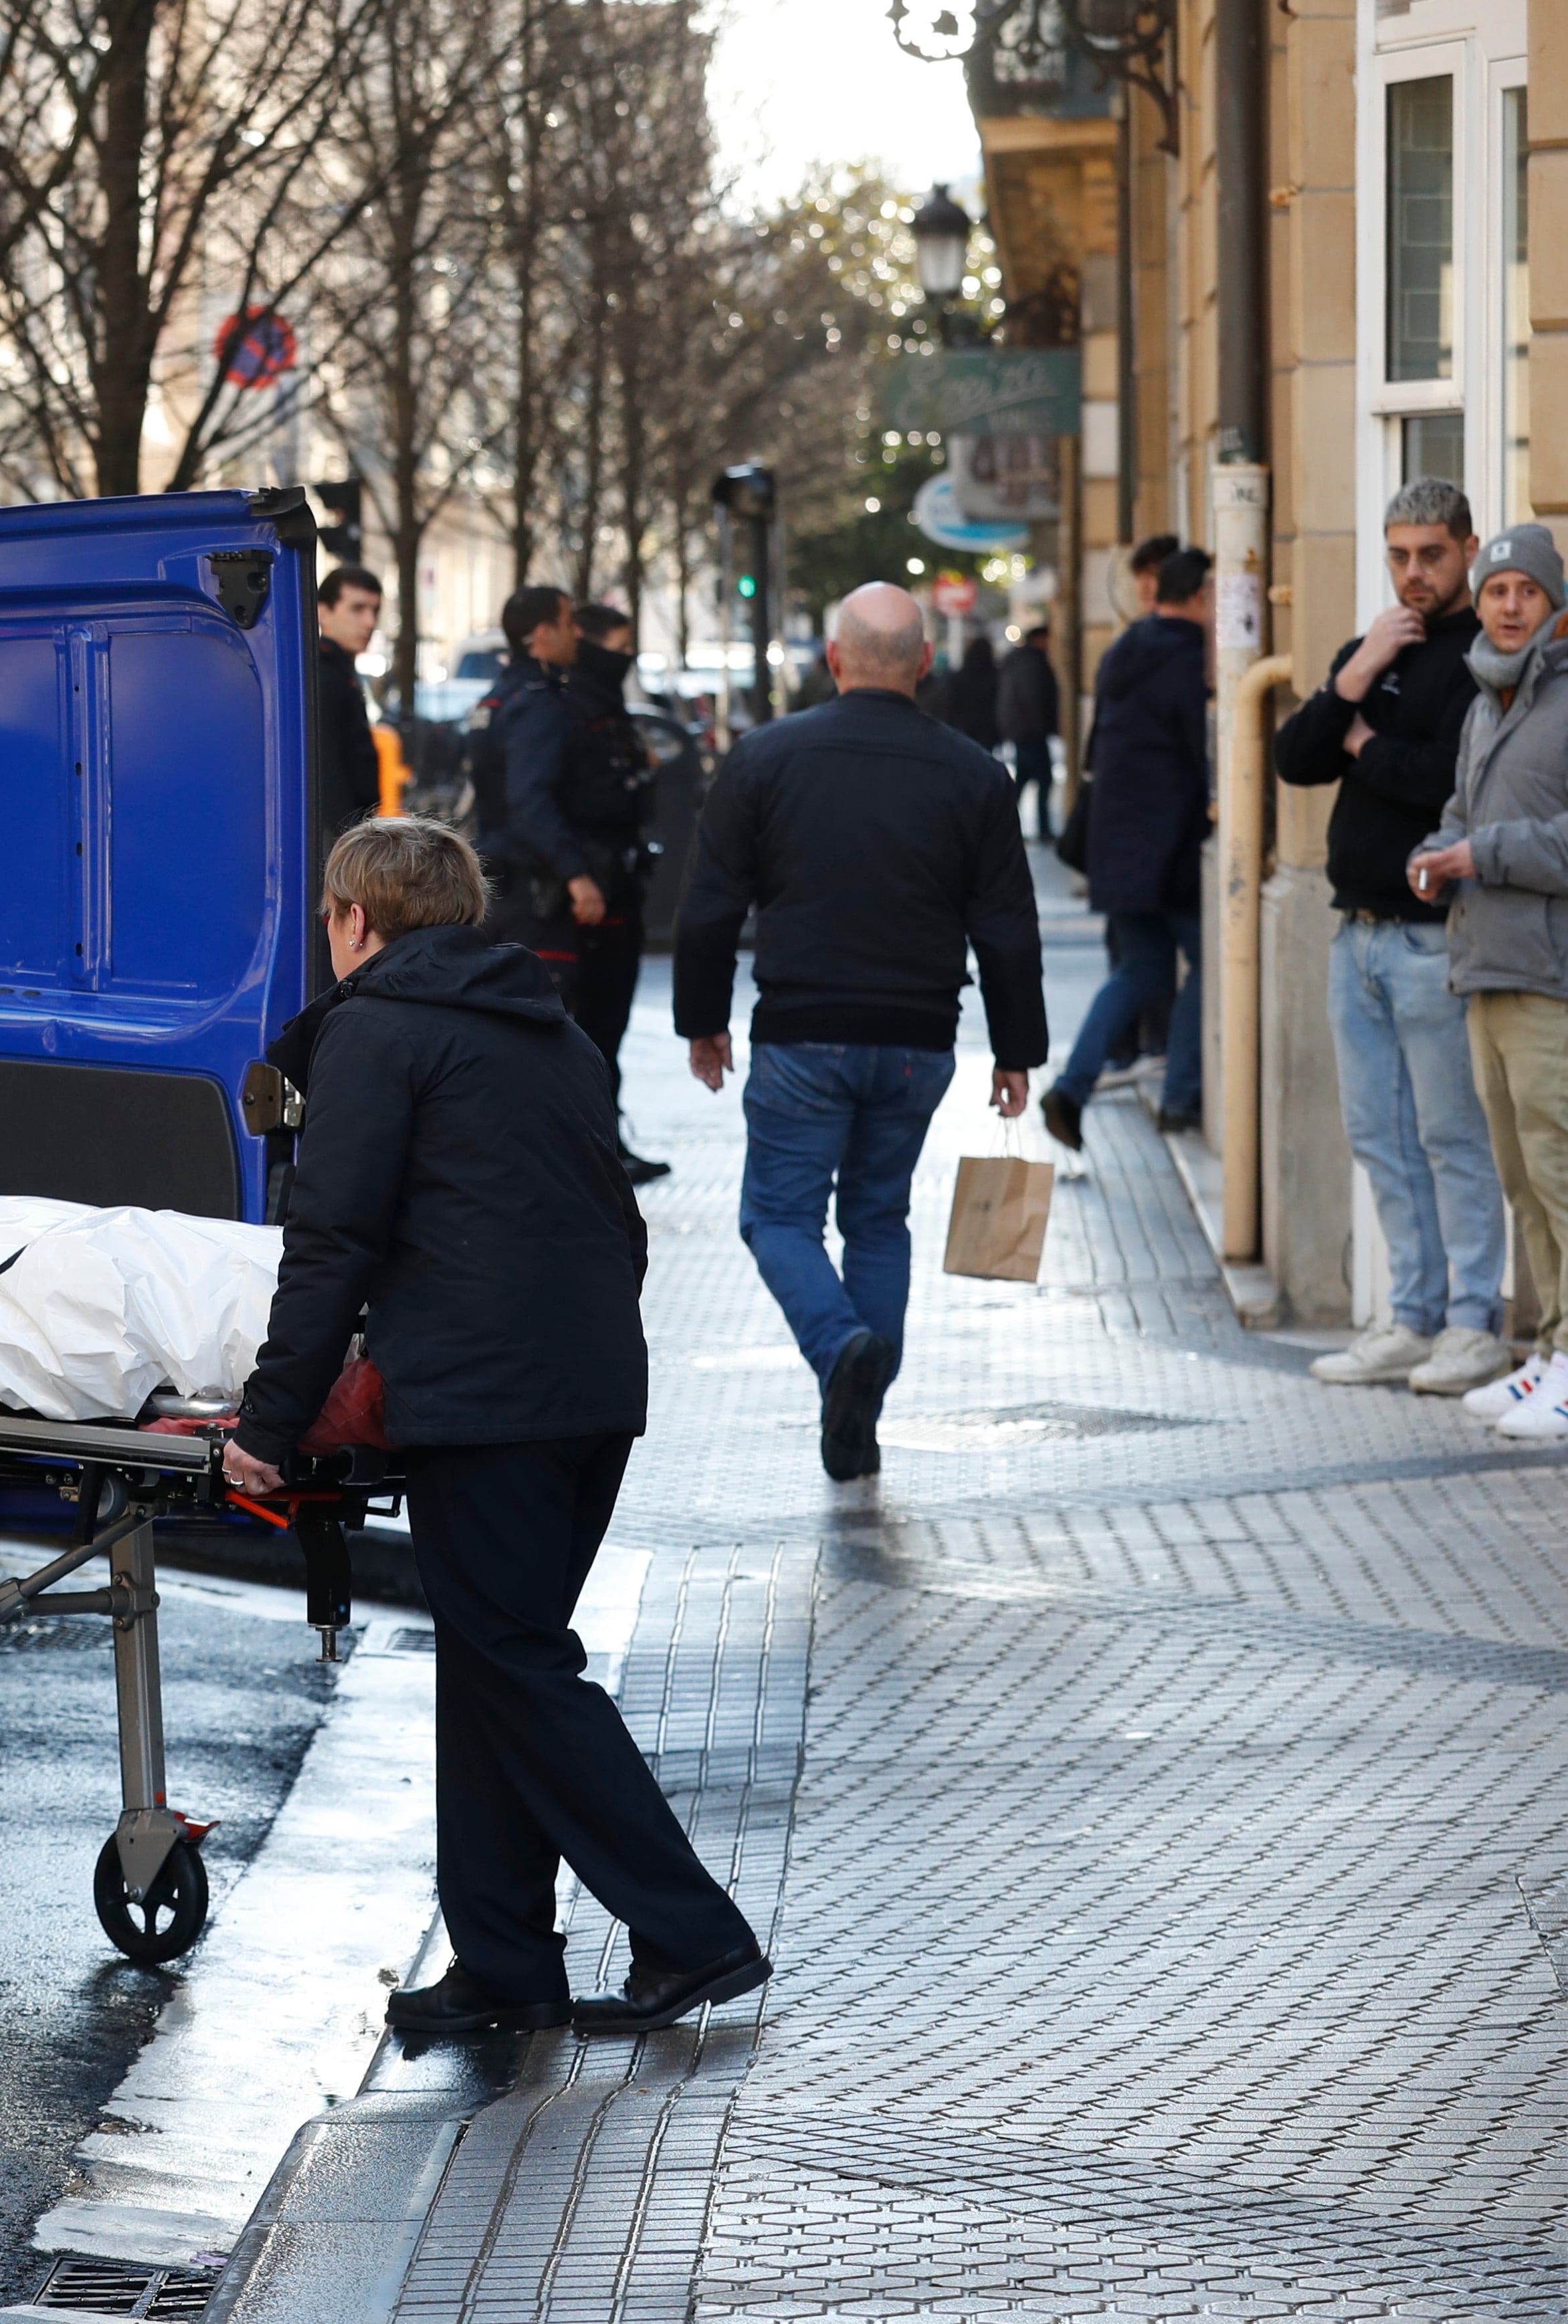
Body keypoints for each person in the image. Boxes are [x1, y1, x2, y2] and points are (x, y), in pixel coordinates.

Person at [222, 816, 766, 2039]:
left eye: (329, 914)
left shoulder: (373, 1034)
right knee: (490, 1661)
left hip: (488, 1405)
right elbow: (612, 1221)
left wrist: (270, 1416)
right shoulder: (545, 1029)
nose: (327, 935)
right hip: (585, 1390)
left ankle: (692, 1931)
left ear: (357, 919)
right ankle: (503, 1959)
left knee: (516, 1663)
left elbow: (333, 1241)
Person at [674, 583, 1045, 1482]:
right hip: (921, 1039)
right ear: (924, 663)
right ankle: (858, 1413)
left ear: (833, 660)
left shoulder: (763, 760)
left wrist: (702, 1021)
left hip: (803, 1032)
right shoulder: (974, 774)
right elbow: (1005, 922)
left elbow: (710, 907)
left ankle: (840, 1346)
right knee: (879, 1218)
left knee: (777, 1216)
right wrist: (1014, 1049)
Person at [1275, 477, 1503, 1397]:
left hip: (1430, 940)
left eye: (1431, 556)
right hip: (1355, 937)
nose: (1414, 574)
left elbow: (1444, 782)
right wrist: (1354, 674)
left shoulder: (1486, 657)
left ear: (1468, 549)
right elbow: (1295, 758)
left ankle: (1472, 1323)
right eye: (1399, 555)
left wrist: (1362, 747)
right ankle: (1409, 1316)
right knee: (1379, 1136)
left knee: (1452, 1137)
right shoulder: (1378, 646)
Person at [1413, 523, 1568, 1437]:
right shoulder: (1488, 702)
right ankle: (1547, 1352)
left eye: (1528, 592)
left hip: (1550, 977)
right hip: (1485, 967)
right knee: (1521, 1180)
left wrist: (1485, 853)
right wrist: (1435, 854)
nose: (1510, 607)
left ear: (1554, 605)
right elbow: (1458, 814)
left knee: (1560, 1174)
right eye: (1498, 591)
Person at [1042, 548, 1215, 1148]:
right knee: (1210, 966)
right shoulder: (1191, 659)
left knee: (1139, 969)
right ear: (1200, 596)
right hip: (1172, 852)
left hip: (1117, 850)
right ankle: (1181, 1096)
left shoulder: (1123, 653)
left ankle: (1071, 1086)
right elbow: (1204, 757)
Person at [560, 601, 670, 1182]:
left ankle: (605, 1138)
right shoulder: (573, 707)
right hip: (593, 889)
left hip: (615, 881)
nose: (625, 656)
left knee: (608, 1021)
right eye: (620, 645)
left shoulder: (600, 706)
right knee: (595, 1020)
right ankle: (595, 1145)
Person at [316, 566, 387, 839]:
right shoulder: (324, 675)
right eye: (357, 609)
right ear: (324, 612)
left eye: (375, 610)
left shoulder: (340, 669)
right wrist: (349, 841)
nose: (370, 622)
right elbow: (327, 770)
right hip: (341, 838)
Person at [1000, 626, 1060, 839]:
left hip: (1023, 731)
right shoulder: (1031, 662)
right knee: (1042, 779)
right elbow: (1032, 697)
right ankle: (1039, 828)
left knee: (1026, 779)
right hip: (1031, 731)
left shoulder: (1019, 660)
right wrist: (1042, 727)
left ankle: (1003, 825)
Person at [943, 632, 1002, 757]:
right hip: (988, 729)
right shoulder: (996, 676)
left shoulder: (959, 676)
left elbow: (952, 705)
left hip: (964, 728)